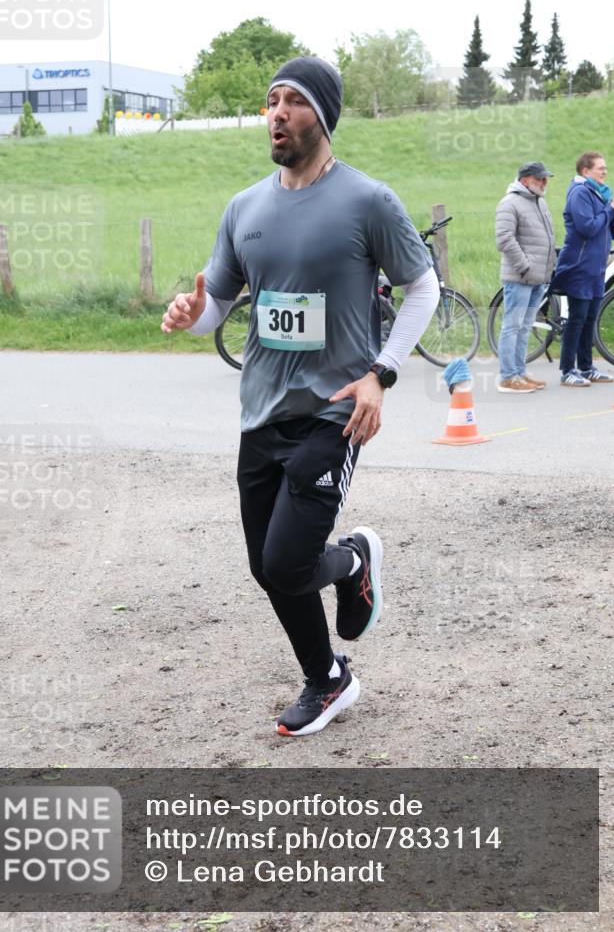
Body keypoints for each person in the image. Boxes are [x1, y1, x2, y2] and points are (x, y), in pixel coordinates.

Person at [161, 56, 439, 737]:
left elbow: (421, 285)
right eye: (270, 101)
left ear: (322, 115)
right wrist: (190, 314)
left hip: (333, 411)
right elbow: (217, 305)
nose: (277, 113)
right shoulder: (244, 208)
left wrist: (382, 372)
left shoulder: (367, 201)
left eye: (292, 101)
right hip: (260, 413)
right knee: (266, 568)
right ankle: (327, 679)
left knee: (287, 560)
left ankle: (351, 561)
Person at [552, 151, 614, 386]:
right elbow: (588, 228)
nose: (605, 171)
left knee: (590, 317)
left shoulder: (600, 193)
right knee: (577, 318)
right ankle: (567, 370)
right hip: (579, 266)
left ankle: (587, 367)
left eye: (605, 167)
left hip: (596, 267)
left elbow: (608, 231)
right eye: (600, 168)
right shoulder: (580, 192)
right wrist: (610, 210)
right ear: (586, 171)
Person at [495, 161, 557, 392]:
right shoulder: (509, 203)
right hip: (520, 277)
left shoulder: (539, 202)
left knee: (524, 327)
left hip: (538, 278)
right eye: (539, 178)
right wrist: (525, 266)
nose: (544, 182)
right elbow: (504, 239)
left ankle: (519, 372)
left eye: (545, 178)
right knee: (512, 326)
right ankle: (507, 377)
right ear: (525, 180)